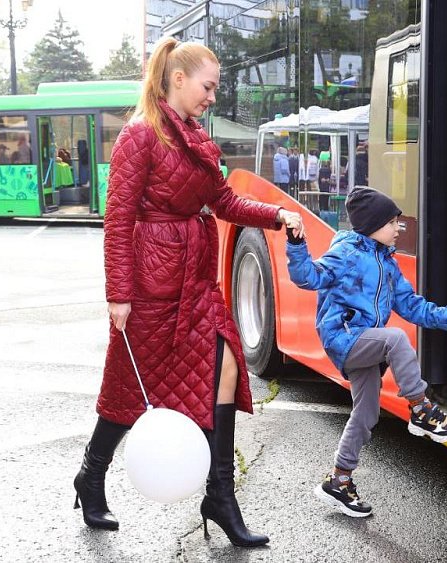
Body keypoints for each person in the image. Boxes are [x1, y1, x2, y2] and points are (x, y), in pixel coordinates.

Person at [74, 37, 304, 547]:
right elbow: (117, 221)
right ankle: (91, 476)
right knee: (128, 394)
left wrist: (276, 214)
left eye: (215, 87)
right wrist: (119, 293)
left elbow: (221, 199)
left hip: (196, 282)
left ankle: (220, 494)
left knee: (225, 366)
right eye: (208, 85)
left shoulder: (195, 137)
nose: (212, 96)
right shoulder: (139, 136)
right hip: (152, 287)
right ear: (178, 79)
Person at [285, 186, 447, 518]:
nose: (398, 228)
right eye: (392, 222)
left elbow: (411, 306)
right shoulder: (346, 254)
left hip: (365, 342)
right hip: (343, 338)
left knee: (366, 413)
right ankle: (421, 408)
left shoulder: (387, 262)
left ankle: (339, 481)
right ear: (372, 225)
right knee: (396, 338)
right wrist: (297, 244)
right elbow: (307, 277)